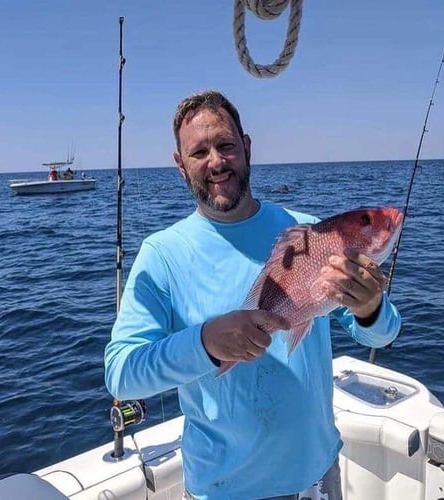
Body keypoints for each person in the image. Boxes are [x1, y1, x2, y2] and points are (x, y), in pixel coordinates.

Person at [104, 90, 401, 500]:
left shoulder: (310, 231)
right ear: (179, 165)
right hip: (221, 491)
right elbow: (121, 372)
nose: (216, 161)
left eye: (226, 145)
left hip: (317, 476)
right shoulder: (163, 255)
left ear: (245, 147)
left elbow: (380, 335)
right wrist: (205, 343)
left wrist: (370, 307)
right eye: (199, 152)